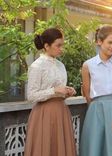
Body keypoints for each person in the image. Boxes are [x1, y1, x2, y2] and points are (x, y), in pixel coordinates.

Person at [24, 28, 77, 156]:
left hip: (61, 112)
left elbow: (59, 89)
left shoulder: (60, 65)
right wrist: (54, 90)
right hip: (43, 114)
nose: (61, 49)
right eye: (58, 45)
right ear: (46, 46)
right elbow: (31, 95)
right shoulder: (37, 66)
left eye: (62, 45)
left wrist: (66, 91)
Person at [80, 25, 112, 156]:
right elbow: (87, 94)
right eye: (110, 42)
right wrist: (98, 107)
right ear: (99, 42)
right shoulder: (87, 65)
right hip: (96, 111)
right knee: (96, 147)